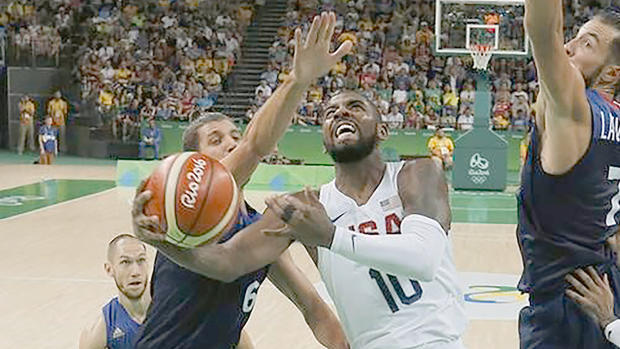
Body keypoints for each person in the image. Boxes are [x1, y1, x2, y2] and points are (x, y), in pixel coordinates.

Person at [132, 12, 352, 349]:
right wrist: (298, 79)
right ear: (195, 165)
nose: (232, 143)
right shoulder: (185, 216)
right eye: (216, 140)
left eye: (234, 135)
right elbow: (254, 145)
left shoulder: (256, 231)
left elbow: (314, 310)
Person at [262, 91, 467, 348]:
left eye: (355, 106)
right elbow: (231, 259)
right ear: (325, 142)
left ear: (382, 131)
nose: (341, 113)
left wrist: (332, 236)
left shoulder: (417, 174)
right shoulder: (308, 207)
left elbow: (423, 259)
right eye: (330, 112)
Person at [518, 4, 620, 348]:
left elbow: (544, 31)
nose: (568, 48)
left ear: (611, 74)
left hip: (567, 308)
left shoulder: (577, 109)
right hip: (607, 296)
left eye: (587, 44)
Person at [79, 234, 151, 349]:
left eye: (141, 260)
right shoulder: (99, 332)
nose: (135, 272)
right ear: (109, 269)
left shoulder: (170, 312)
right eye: (125, 262)